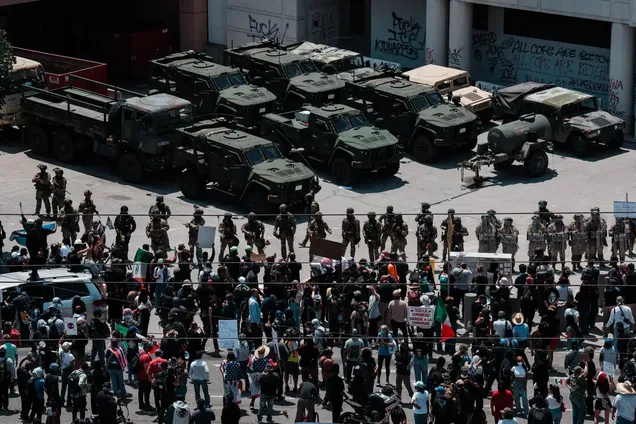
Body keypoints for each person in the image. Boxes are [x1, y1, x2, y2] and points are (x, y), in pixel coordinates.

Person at [137, 341, 154, 411]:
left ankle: (141, 404)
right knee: (147, 392)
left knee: (141, 391)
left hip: (140, 376)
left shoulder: (141, 353)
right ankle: (147, 405)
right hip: (145, 377)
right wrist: (150, 378)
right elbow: (147, 369)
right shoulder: (146, 356)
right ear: (147, 347)